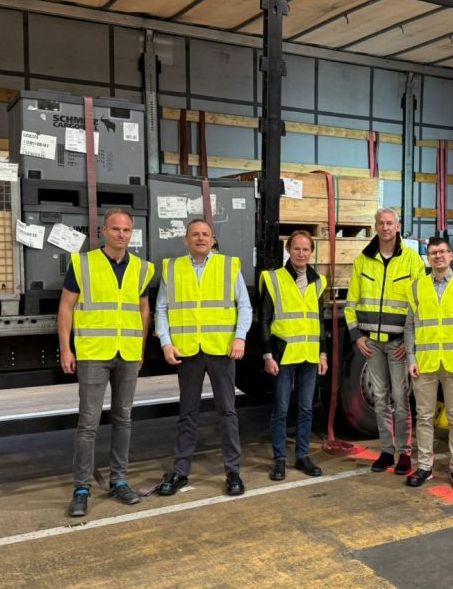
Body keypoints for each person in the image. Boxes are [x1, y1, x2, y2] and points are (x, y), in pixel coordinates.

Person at [59, 207, 155, 518]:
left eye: (127, 230)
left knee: (124, 420)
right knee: (88, 424)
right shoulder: (83, 263)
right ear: (104, 231)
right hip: (93, 352)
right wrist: (65, 349)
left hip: (127, 353)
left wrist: (140, 347)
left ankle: (120, 481)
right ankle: (81, 488)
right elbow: (66, 308)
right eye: (116, 229)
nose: (122, 235)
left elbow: (144, 311)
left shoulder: (141, 268)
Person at [154, 219, 252, 497]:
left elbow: (243, 306)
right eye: (195, 234)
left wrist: (240, 336)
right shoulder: (173, 269)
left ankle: (233, 471)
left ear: (213, 240)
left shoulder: (227, 266)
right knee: (188, 414)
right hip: (187, 352)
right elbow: (162, 309)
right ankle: (181, 472)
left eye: (205, 234)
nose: (200, 238)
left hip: (221, 350)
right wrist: (165, 342)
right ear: (186, 240)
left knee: (227, 412)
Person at [344, 207, 426, 475]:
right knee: (380, 399)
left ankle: (405, 453)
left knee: (401, 399)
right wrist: (357, 336)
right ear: (376, 227)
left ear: (398, 226)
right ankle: (387, 451)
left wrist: (410, 342)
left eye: (390, 223)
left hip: (399, 344)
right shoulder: (362, 261)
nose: (386, 227)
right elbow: (351, 303)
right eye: (381, 223)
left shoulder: (413, 262)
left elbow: (421, 307)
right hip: (373, 345)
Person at [404, 237, 453, 491]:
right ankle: (424, 467)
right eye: (433, 252)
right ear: (427, 257)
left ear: (451, 256)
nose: (438, 256)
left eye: (443, 252)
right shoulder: (417, 287)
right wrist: (411, 358)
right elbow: (410, 327)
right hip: (424, 362)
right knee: (424, 417)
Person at [259, 231, 328, 481]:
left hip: (309, 355)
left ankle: (302, 455)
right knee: (281, 408)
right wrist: (267, 354)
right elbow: (265, 319)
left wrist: (323, 353)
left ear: (311, 252)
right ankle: (279, 459)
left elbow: (320, 320)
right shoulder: (273, 278)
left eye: (306, 249)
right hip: (283, 354)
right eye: (297, 249)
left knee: (306, 408)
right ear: (289, 250)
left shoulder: (318, 281)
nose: (301, 253)